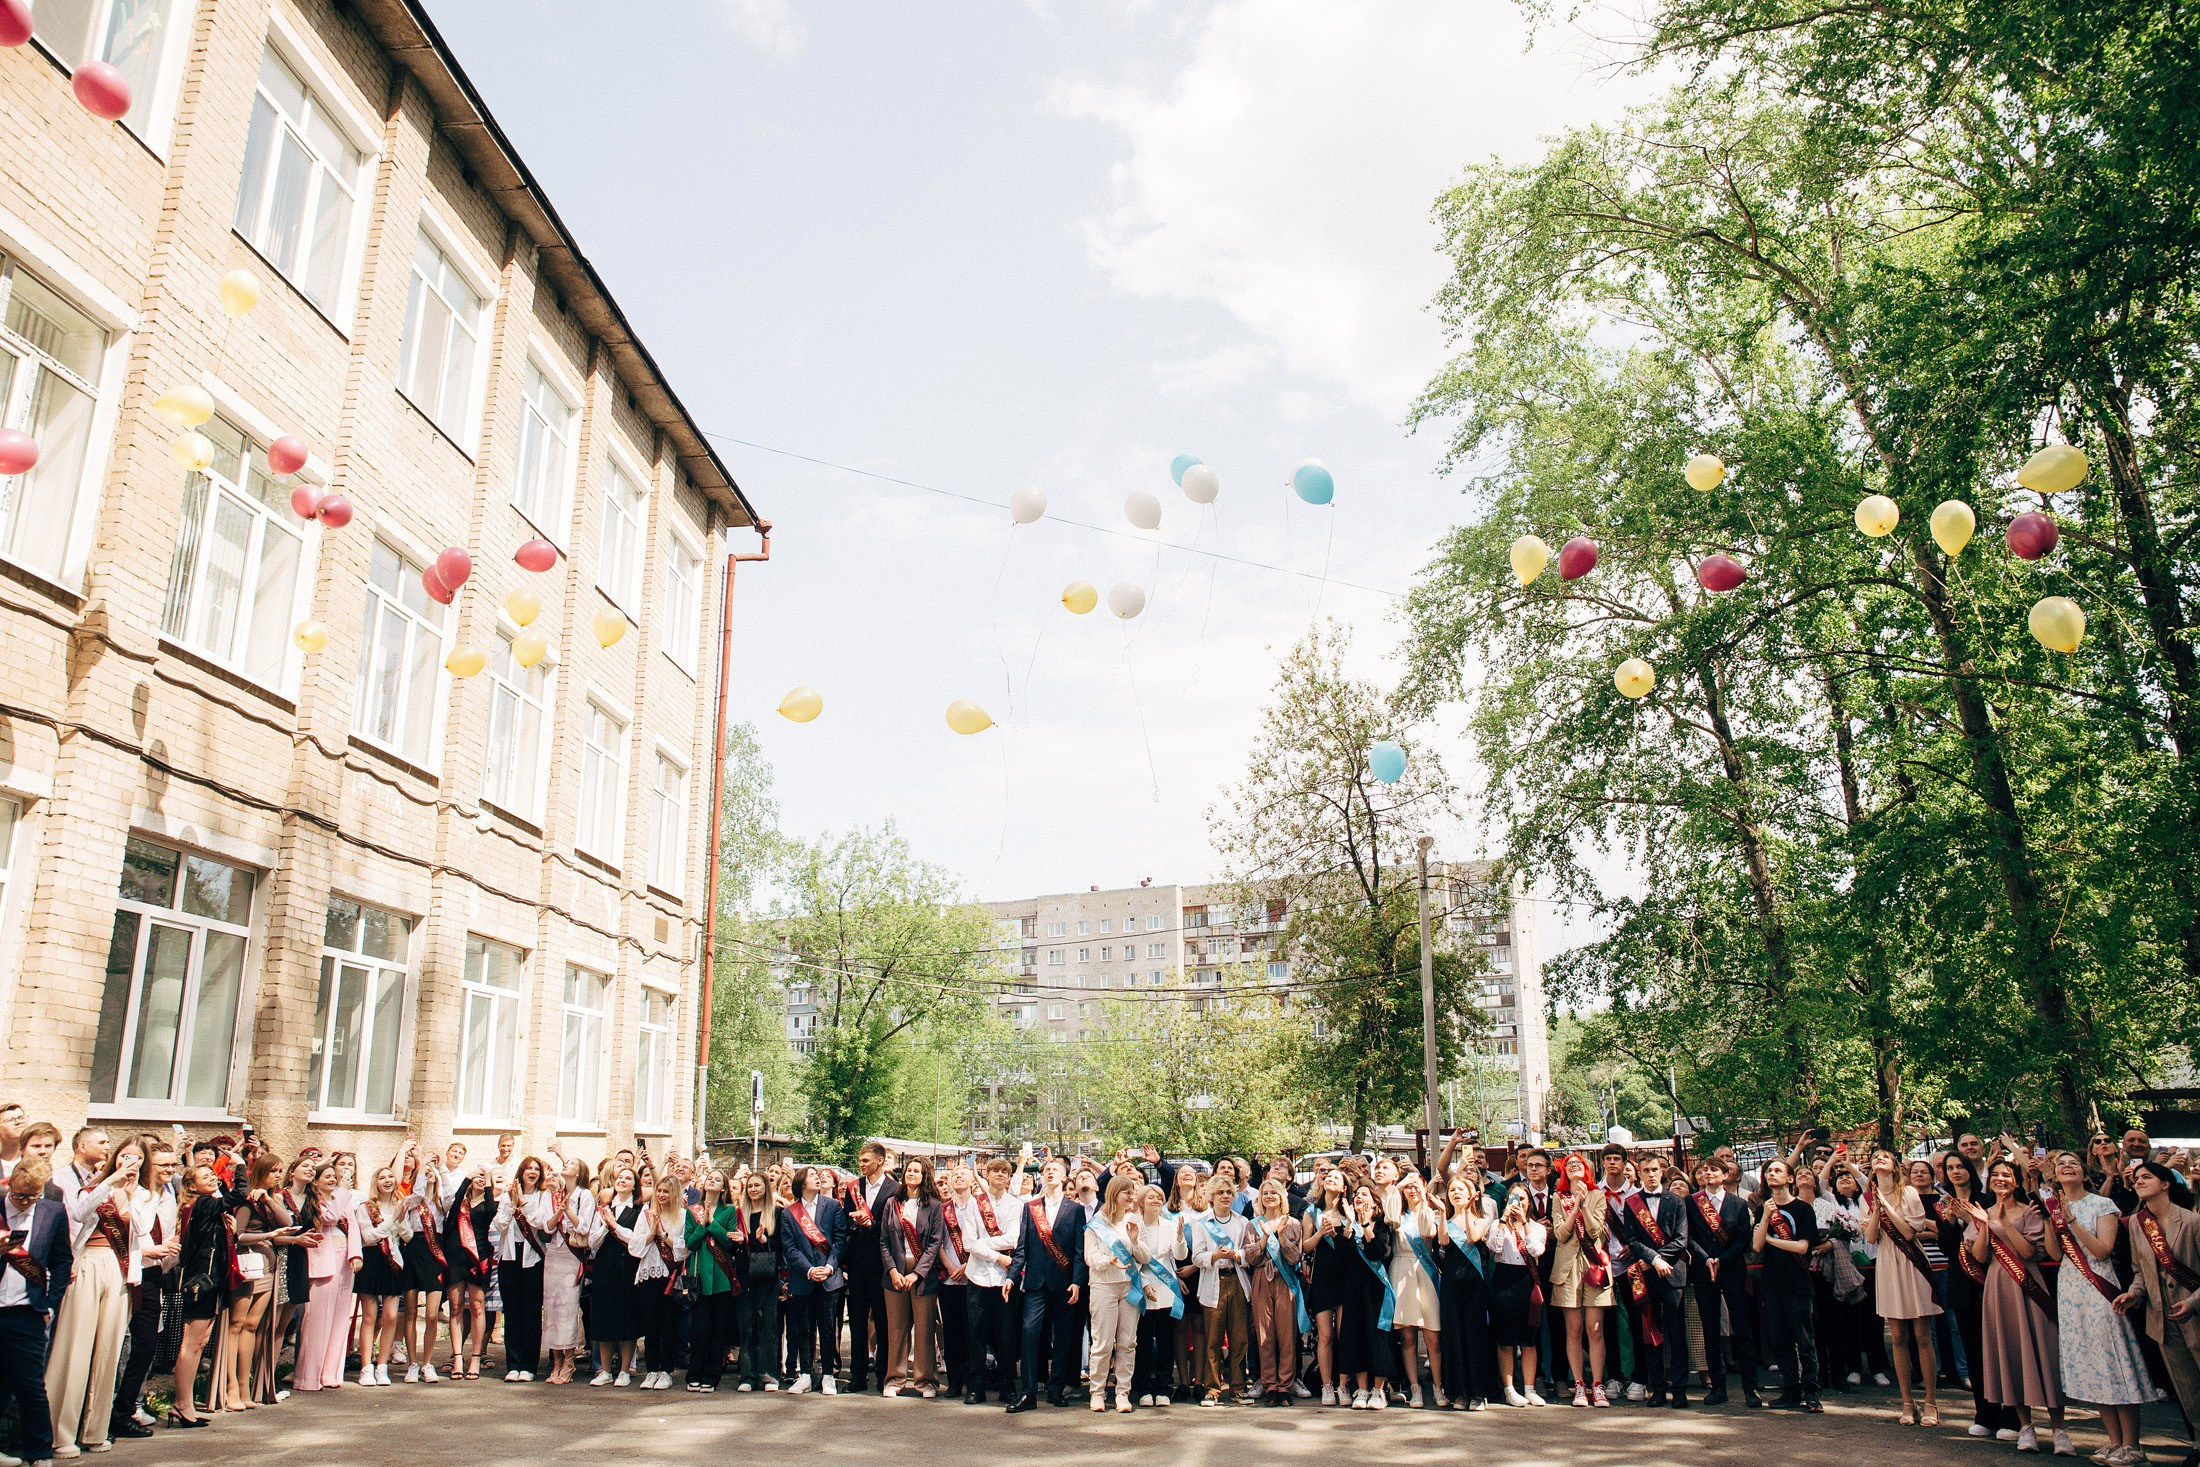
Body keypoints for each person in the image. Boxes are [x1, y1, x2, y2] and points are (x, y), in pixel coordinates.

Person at [2032, 1149, 2148, 1464]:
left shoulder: (2101, 1204)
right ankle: (2113, 1441)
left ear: (2085, 1173)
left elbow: (2101, 1250)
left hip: (2099, 1285)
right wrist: (2051, 1218)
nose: (2067, 1166)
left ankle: (2132, 1444)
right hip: (2071, 1288)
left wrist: (2071, 1219)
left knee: (2113, 1362)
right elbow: (2055, 1253)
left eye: (2073, 1163)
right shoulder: (2055, 1206)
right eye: (2061, 1164)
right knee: (2093, 1365)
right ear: (2055, 1176)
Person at [1965, 1156, 2068, 1454]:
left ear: (2016, 1180)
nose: (2001, 1179)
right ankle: (2025, 1427)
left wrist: (2006, 1224)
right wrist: (1986, 1224)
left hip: (2029, 1284)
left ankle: (2060, 1430)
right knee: (2011, 1354)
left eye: (2007, 1175)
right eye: (1996, 1175)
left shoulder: (2028, 1211)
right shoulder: (1981, 1213)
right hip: (1999, 1287)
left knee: (2044, 1353)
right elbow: (1980, 1256)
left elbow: (2027, 1252)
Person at [44, 1131, 137, 1455]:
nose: (109, 1149)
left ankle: (95, 1430)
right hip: (86, 1263)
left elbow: (140, 1231)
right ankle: (59, 1434)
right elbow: (78, 1213)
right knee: (75, 1348)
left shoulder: (133, 1189)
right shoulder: (79, 1183)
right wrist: (109, 1183)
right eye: (104, 1143)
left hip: (118, 1268)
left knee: (108, 1351)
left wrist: (129, 1193)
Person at [2115, 1159, 2200, 1465]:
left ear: (2165, 1184)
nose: (2138, 1181)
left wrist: (2193, 1302)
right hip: (2163, 1319)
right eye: (2136, 1178)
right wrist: (2134, 1294)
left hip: (2195, 1314)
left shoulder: (2191, 1221)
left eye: (2146, 1177)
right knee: (2188, 1389)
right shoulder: (2137, 1224)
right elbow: (2140, 1271)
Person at [1863, 1146, 1943, 1426]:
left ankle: (1931, 1402)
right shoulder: (1868, 1197)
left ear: (1895, 1165)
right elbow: (1870, 1237)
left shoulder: (1908, 1192)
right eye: (1875, 1157)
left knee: (1922, 1335)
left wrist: (1887, 1208)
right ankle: (1907, 1402)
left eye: (1884, 1156)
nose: (1879, 1159)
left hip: (1912, 1262)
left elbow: (1910, 1232)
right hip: (1887, 1262)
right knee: (1897, 1336)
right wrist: (1876, 1210)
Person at [2, 1156, 70, 1461]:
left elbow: (62, 1261)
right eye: (19, 1196)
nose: (25, 1202)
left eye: (32, 1196)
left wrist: (50, 1305)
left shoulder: (52, 1212)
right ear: (10, 1184)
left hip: (27, 1310)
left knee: (30, 1388)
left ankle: (40, 1454)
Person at [110, 1139, 177, 1437]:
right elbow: (132, 1232)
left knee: (146, 1346)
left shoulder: (167, 1195)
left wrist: (168, 1252)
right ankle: (109, 1410)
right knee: (119, 1346)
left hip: (153, 1276)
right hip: (128, 1273)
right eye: (163, 1164)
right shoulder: (136, 1193)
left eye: (173, 1164)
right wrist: (148, 1251)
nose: (170, 1170)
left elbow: (169, 1232)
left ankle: (125, 1410)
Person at [1007, 1155, 1085, 1412]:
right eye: (1046, 1169)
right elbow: (1022, 1247)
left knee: (1062, 1337)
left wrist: (1077, 1281)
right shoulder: (1031, 1207)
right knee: (1029, 1333)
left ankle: (1056, 1389)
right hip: (1036, 1282)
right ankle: (1028, 1392)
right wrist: (1011, 1277)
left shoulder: (1076, 1210)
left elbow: (1079, 1250)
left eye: (1055, 1169)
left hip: (1064, 1283)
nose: (1050, 1172)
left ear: (1064, 1177)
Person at [1614, 1152, 1689, 1408]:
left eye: (1655, 1169)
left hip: (1672, 1274)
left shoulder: (1676, 1201)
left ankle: (1679, 1390)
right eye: (1646, 1170)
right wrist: (1654, 1259)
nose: (1651, 1174)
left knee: (1676, 1334)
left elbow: (1681, 1239)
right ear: (1640, 1173)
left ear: (1661, 1171)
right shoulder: (1632, 1202)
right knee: (1651, 1333)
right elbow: (1632, 1239)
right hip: (1647, 1275)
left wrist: (1659, 1259)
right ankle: (1658, 1388)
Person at [1686, 1158, 1757, 1406]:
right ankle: (1718, 1387)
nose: (1708, 1173)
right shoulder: (1692, 1202)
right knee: (1710, 1329)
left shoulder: (1738, 1204)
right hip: (1704, 1270)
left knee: (1742, 1329)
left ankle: (1750, 1389)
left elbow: (1743, 1239)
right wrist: (1706, 1259)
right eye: (1704, 1169)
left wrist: (1721, 1260)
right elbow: (1689, 1237)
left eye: (1714, 1169)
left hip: (1732, 1270)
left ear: (1725, 1175)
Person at [223, 1151, 291, 1408]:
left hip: (267, 1267)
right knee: (237, 1324)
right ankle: (231, 1387)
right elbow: (237, 1236)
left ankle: (245, 1387)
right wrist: (268, 1235)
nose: (278, 1176)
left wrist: (269, 1200)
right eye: (273, 1171)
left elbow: (287, 1221)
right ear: (262, 1172)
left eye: (280, 1171)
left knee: (252, 1325)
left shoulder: (270, 1199)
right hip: (247, 1266)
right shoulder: (246, 1202)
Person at [1755, 1158, 1823, 1414]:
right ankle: (1791, 1390)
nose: (1771, 1174)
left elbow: (1802, 1247)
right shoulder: (1763, 1209)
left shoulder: (1803, 1209)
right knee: (1781, 1342)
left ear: (1790, 1178)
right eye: (1769, 1171)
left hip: (1797, 1283)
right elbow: (1756, 1245)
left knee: (1805, 1342)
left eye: (1777, 1170)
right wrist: (1765, 1217)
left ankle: (1812, 1392)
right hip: (1772, 1283)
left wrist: (1771, 1239)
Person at [958, 1154, 1023, 1406]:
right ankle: (976, 1386)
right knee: (976, 1333)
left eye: (1004, 1172)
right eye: (995, 1171)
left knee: (1006, 1335)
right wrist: (997, 1256)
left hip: (1004, 1279)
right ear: (987, 1175)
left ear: (1009, 1178)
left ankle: (1007, 1385)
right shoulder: (974, 1204)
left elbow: (1013, 1239)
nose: (999, 1175)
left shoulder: (1016, 1205)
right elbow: (968, 1243)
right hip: (977, 1277)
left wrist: (983, 1243)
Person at [1550, 1152, 1613, 1407]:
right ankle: (1578, 1384)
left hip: (1593, 1265)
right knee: (1573, 1329)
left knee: (1594, 1328)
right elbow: (1560, 1233)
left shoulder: (1598, 1195)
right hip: (1567, 1268)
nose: (1574, 1167)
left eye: (1579, 1163)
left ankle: (1597, 1384)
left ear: (1586, 1168)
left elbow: (1595, 1230)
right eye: (1569, 1165)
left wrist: (1585, 1204)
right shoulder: (1558, 1198)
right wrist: (1573, 1206)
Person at [294, 1159, 363, 1391]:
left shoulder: (340, 1197)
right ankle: (308, 1377)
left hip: (344, 1260)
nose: (333, 1179)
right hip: (324, 1260)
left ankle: (330, 1373)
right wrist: (343, 1190)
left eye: (335, 1176)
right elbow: (329, 1218)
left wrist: (356, 1254)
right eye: (328, 1176)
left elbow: (353, 1225)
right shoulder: (313, 1201)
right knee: (317, 1321)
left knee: (340, 1319)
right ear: (316, 1182)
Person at [780, 1164, 848, 1395]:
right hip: (803, 1278)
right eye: (811, 1175)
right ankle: (806, 1375)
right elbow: (790, 1248)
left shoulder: (833, 1206)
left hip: (829, 1278)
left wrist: (828, 1267)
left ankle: (828, 1375)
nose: (817, 1178)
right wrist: (809, 1270)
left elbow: (840, 1240)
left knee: (828, 1329)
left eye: (817, 1175)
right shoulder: (789, 1213)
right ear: (800, 1183)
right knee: (804, 1329)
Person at [879, 1157, 944, 1399]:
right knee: (896, 1329)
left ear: (925, 1176)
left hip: (923, 1274)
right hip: (895, 1273)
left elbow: (935, 1243)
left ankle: (926, 1381)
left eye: (917, 1171)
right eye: (909, 1170)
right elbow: (884, 1241)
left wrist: (917, 1274)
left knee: (925, 1329)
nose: (911, 1174)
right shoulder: (892, 1204)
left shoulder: (934, 1206)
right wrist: (893, 1271)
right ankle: (895, 1380)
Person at [1083, 1173, 1148, 1412]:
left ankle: (1123, 1393)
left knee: (1127, 1342)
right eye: (1126, 1192)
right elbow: (1090, 1257)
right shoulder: (1097, 1223)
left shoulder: (1134, 1220)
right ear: (1114, 1194)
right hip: (1103, 1286)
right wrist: (1109, 1261)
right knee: (1102, 1343)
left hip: (1129, 1286)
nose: (1131, 1196)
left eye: (1133, 1192)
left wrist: (1135, 1241)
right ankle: (1097, 1392)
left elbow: (1145, 1257)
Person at [1437, 1171, 1500, 1412]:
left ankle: (1479, 1392)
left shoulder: (1481, 1219)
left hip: (1475, 1285)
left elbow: (1473, 1237)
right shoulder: (1448, 1219)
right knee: (1455, 1335)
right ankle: (1460, 1391)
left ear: (1472, 1194)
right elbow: (1443, 1241)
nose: (1455, 1193)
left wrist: (1466, 1212)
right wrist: (1443, 1214)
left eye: (1460, 1190)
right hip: (1452, 1285)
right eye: (1452, 1190)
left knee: (1475, 1336)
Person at [1189, 1173, 1252, 1407]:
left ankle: (1238, 1388)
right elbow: (1197, 1257)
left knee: (1239, 1338)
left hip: (1237, 1281)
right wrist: (1215, 1256)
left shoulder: (1242, 1222)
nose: (1225, 1196)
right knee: (1213, 1339)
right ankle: (1212, 1389)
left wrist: (1236, 1255)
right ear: (1211, 1197)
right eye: (1220, 1193)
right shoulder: (1202, 1224)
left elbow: (1250, 1253)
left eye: (1228, 1193)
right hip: (1213, 1282)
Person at [842, 1142, 900, 1393]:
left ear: (880, 1161)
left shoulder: (894, 1189)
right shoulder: (854, 1187)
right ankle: (857, 1376)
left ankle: (883, 1375)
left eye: (866, 1160)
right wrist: (855, 1222)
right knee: (857, 1320)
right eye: (860, 1160)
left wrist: (871, 1224)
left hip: (882, 1262)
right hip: (857, 1261)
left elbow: (895, 1226)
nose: (862, 1164)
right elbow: (845, 1221)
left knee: (884, 1320)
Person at [1244, 1178, 1307, 1408]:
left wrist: (1280, 1236)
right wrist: (1264, 1238)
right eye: (1265, 1193)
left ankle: (1285, 1386)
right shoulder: (1253, 1225)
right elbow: (1250, 1257)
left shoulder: (1293, 1224)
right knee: (1265, 1333)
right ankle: (1270, 1384)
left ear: (1282, 1197)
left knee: (1287, 1334)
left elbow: (1294, 1258)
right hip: (1262, 1277)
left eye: (1274, 1192)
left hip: (1285, 1279)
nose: (1269, 1196)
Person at [1388, 1169, 1446, 1407]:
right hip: (1401, 1270)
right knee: (1407, 1336)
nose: (1412, 1190)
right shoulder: (1397, 1213)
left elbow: (1427, 1232)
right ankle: (1415, 1388)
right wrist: (1399, 1185)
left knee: (1433, 1337)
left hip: (1424, 1271)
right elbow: (1390, 1219)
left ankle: (1438, 1387)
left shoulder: (1430, 1211)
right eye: (1408, 1187)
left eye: (1416, 1186)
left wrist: (1423, 1198)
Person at [1488, 1180, 1547, 1407]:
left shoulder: (1537, 1227)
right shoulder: (1497, 1224)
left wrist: (1525, 1225)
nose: (1518, 1203)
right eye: (1514, 1198)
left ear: (1529, 1202)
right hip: (1504, 1280)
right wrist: (1504, 1221)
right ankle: (1509, 1389)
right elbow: (1494, 1247)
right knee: (1505, 1340)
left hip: (1527, 1281)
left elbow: (1536, 1250)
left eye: (1522, 1199)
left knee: (1529, 1340)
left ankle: (1530, 1388)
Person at [683, 1163, 740, 1394]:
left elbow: (728, 1242)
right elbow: (690, 1243)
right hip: (699, 1277)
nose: (712, 1181)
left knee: (718, 1329)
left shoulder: (729, 1211)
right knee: (699, 1329)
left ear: (724, 1187)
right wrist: (702, 1224)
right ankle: (694, 1373)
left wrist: (712, 1223)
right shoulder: (692, 1210)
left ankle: (712, 1376)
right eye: (710, 1178)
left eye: (718, 1179)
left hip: (721, 1278)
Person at [588, 1163, 646, 1387]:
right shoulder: (605, 1208)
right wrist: (605, 1226)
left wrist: (615, 1226)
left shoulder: (639, 1210)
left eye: (628, 1178)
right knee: (604, 1317)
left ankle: (624, 1370)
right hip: (605, 1266)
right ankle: (604, 1370)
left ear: (634, 1186)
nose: (623, 1181)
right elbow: (592, 1242)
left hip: (628, 1267)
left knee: (627, 1318)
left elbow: (636, 1239)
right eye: (620, 1177)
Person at [1338, 1183, 1396, 1410]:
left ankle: (1378, 1390)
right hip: (1353, 1288)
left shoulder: (1382, 1227)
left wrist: (1364, 1225)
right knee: (1356, 1335)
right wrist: (1350, 1223)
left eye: (1364, 1194)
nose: (1359, 1197)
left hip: (1375, 1289)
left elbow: (1377, 1253)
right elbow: (1343, 1253)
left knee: (1377, 1337)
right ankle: (1362, 1389)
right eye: (1356, 1195)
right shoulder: (1349, 1226)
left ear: (1375, 1202)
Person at [354, 1162, 412, 1387]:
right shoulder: (366, 1207)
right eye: (382, 1178)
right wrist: (392, 1220)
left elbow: (407, 1237)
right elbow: (369, 1237)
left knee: (390, 1317)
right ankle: (366, 1367)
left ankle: (382, 1366)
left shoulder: (399, 1206)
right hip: (372, 1261)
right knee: (369, 1317)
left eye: (390, 1177)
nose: (387, 1181)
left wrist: (401, 1218)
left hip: (393, 1262)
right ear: (375, 1183)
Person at [1130, 1181, 1186, 1407]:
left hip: (1166, 1288)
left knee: (1165, 1339)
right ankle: (1143, 1387)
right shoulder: (1134, 1226)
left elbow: (1180, 1256)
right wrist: (1144, 1284)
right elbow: (1134, 1261)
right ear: (1141, 1202)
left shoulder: (1170, 1226)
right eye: (1150, 1197)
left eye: (1159, 1197)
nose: (1156, 1200)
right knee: (1142, 1340)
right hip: (1142, 1287)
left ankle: (1163, 1387)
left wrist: (1180, 1237)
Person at [632, 1176, 689, 1391]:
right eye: (659, 1191)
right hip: (649, 1273)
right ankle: (652, 1369)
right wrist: (651, 1233)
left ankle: (666, 1370)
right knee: (651, 1323)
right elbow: (635, 1245)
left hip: (669, 1275)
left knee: (669, 1323)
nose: (662, 1195)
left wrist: (662, 1234)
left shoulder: (682, 1215)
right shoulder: (646, 1214)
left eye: (666, 1191)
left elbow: (684, 1247)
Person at [442, 1162, 497, 1379]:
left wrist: (489, 1180)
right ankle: (457, 1357)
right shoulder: (461, 1204)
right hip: (455, 1258)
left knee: (477, 1306)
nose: (480, 1179)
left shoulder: (488, 1204)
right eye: (478, 1177)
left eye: (484, 1177)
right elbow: (455, 1202)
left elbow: (491, 1210)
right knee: (455, 1307)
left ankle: (475, 1357)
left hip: (478, 1257)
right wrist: (467, 1178)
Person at [1304, 1168, 1353, 1406]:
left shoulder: (1349, 1212)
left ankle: (1343, 1385)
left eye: (1337, 1177)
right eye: (1328, 1176)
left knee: (1344, 1334)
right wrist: (1320, 1234)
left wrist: (1347, 1226)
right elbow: (1305, 1246)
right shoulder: (1312, 1212)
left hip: (1345, 1278)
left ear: (1344, 1187)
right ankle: (1326, 1385)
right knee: (1325, 1335)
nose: (1331, 1179)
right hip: (1322, 1279)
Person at [732, 1169, 780, 1392]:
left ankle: (769, 1375)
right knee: (747, 1325)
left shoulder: (776, 1214)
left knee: (768, 1325)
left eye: (757, 1185)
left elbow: (781, 1246)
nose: (753, 1189)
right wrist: (739, 1241)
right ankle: (747, 1376)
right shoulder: (739, 1214)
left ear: (765, 1189)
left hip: (767, 1276)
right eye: (750, 1186)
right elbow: (731, 1247)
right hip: (744, 1275)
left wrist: (763, 1241)